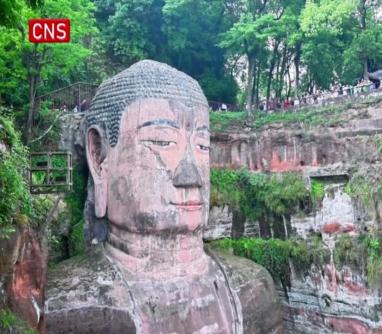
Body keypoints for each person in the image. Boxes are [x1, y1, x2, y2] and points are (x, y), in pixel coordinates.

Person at [45, 60, 283, 334]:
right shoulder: (66, 306)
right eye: (161, 141)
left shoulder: (252, 289)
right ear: (98, 156)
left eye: (202, 146)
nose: (191, 176)